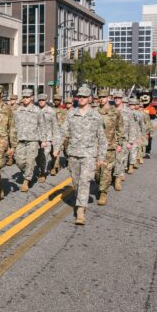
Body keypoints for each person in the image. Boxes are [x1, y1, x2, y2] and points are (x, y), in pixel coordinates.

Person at [55, 86, 106, 225]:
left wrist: (101, 157)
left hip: (89, 154)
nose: (81, 99)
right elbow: (62, 132)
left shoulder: (96, 116)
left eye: (84, 97)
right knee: (76, 181)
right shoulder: (71, 114)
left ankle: (80, 210)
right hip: (73, 153)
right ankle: (81, 200)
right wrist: (56, 148)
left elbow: (102, 138)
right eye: (80, 97)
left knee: (84, 181)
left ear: (90, 98)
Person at [95, 89, 124, 206]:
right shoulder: (94, 112)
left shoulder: (115, 112)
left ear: (108, 98)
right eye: (99, 97)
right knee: (97, 173)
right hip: (95, 146)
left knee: (106, 171)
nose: (101, 99)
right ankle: (101, 183)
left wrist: (119, 143)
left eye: (103, 97)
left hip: (109, 146)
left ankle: (103, 193)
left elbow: (119, 128)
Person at [13, 89, 44, 192]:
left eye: (27, 97)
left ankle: (26, 181)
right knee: (19, 161)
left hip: (33, 140)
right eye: (24, 97)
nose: (25, 99)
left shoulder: (37, 111)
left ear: (32, 98)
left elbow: (42, 126)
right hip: (20, 139)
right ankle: (27, 173)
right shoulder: (18, 111)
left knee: (30, 161)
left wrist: (44, 140)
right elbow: (14, 126)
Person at [113, 90, 132, 190]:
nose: (117, 99)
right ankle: (114, 176)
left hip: (123, 139)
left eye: (119, 98)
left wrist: (130, 142)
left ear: (122, 99)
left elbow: (131, 127)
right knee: (112, 160)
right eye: (115, 98)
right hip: (112, 139)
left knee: (120, 160)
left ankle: (117, 180)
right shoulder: (111, 110)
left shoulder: (128, 111)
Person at [36, 93, 57, 182]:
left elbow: (55, 125)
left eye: (43, 100)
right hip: (36, 137)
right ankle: (41, 168)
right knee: (37, 157)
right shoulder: (35, 110)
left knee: (44, 155)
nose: (41, 102)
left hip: (48, 137)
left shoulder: (51, 111)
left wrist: (54, 139)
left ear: (46, 101)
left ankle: (43, 173)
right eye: (39, 100)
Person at [51, 93, 68, 174]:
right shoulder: (50, 110)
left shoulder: (64, 111)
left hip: (61, 133)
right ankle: (55, 166)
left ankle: (55, 166)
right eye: (55, 100)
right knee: (53, 151)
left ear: (60, 101)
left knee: (61, 150)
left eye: (58, 100)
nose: (56, 101)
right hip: (52, 133)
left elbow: (67, 123)